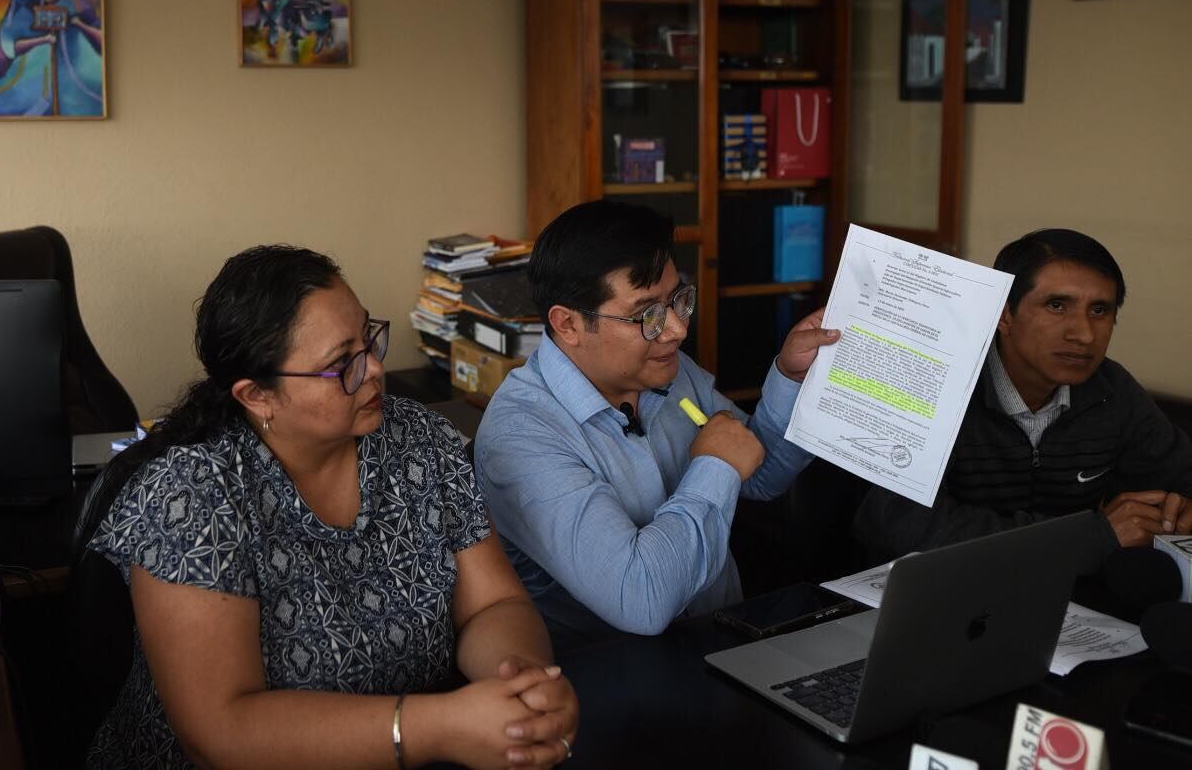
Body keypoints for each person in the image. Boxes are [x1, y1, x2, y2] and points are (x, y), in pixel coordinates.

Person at [84, 245, 579, 769]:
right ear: (257, 396)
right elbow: (222, 732)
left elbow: (492, 606)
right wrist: (436, 727)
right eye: (342, 363)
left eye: (369, 338)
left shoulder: (419, 439)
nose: (374, 370)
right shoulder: (191, 495)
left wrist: (520, 685)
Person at [474, 200, 840, 650]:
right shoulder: (521, 436)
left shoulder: (667, 369)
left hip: (727, 638)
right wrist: (716, 465)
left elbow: (761, 475)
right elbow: (641, 598)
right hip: (622, 671)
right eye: (646, 315)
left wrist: (791, 377)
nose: (676, 330)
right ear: (568, 324)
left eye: (678, 301)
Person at [854, 228, 1192, 565]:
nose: (1085, 334)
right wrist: (1090, 537)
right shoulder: (933, 383)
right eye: (1057, 305)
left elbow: (1181, 475)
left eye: (1100, 310)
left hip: (1063, 588)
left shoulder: (1111, 389)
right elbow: (901, 525)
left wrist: (1179, 510)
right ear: (1004, 315)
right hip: (934, 585)